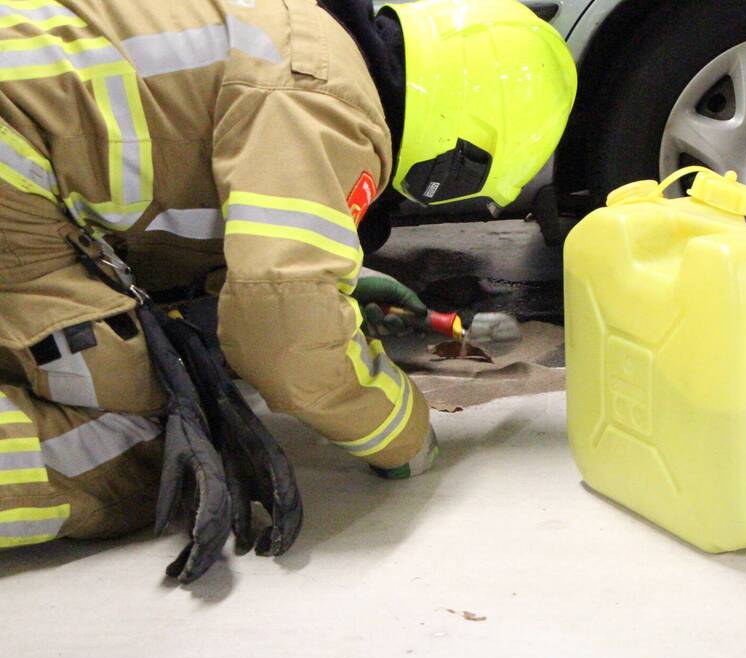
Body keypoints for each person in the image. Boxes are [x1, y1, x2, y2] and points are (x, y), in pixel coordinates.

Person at [0, 0, 576, 577]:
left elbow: (174, 190)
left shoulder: (300, 39)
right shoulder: (331, 102)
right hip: (14, 170)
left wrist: (336, 283)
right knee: (162, 434)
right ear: (457, 157)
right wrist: (402, 429)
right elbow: (285, 344)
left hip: (22, 167)